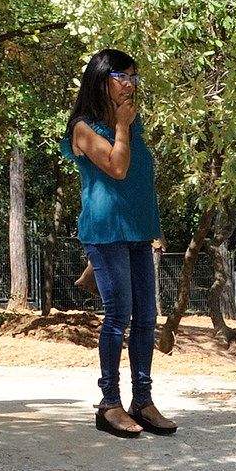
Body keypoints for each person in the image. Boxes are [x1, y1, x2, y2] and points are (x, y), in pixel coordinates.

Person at [62, 48, 176, 438]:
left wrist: (153, 229)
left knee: (146, 317)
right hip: (106, 233)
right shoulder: (83, 127)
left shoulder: (133, 121)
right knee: (119, 315)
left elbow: (140, 181)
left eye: (133, 77)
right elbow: (117, 166)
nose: (130, 84)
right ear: (101, 79)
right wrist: (123, 127)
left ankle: (141, 401)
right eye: (122, 76)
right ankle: (109, 404)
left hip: (139, 232)